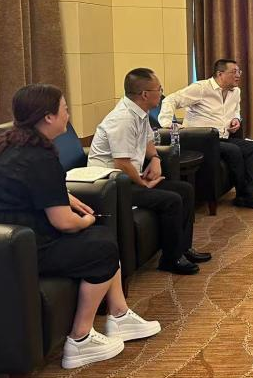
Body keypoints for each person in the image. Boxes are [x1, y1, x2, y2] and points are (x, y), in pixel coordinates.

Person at [0, 84, 161, 368]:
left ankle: (119, 314)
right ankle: (80, 339)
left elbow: (27, 188)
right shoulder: (40, 156)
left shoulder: (11, 146)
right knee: (102, 247)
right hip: (22, 248)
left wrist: (64, 196)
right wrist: (86, 220)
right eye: (64, 109)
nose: (68, 115)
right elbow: (63, 222)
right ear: (48, 116)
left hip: (3, 243)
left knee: (102, 237)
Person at [89, 68, 210, 275]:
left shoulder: (140, 112)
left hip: (129, 177)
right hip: (112, 184)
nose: (161, 93)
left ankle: (183, 248)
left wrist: (155, 158)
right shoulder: (123, 118)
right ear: (145, 94)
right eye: (159, 89)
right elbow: (121, 163)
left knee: (185, 189)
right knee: (171, 200)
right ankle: (170, 259)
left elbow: (147, 141)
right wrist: (143, 184)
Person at [160, 59, 253, 209]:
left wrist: (236, 119)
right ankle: (243, 196)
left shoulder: (235, 91)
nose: (238, 75)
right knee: (234, 150)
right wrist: (167, 123)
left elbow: (235, 109)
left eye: (239, 71)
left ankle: (252, 190)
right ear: (220, 74)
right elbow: (170, 100)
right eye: (234, 72)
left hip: (221, 138)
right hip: (200, 140)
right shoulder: (201, 88)